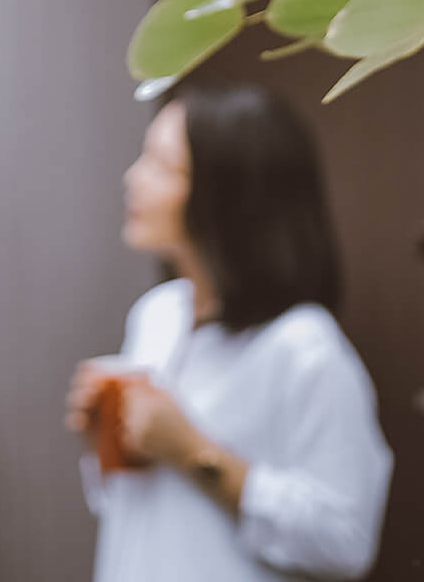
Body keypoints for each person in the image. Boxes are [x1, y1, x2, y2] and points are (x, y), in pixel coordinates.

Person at [66, 82, 393, 580]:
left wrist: (196, 452)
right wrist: (109, 442)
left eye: (161, 165)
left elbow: (345, 542)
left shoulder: (305, 350)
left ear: (228, 194)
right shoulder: (157, 315)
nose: (134, 178)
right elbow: (139, 507)